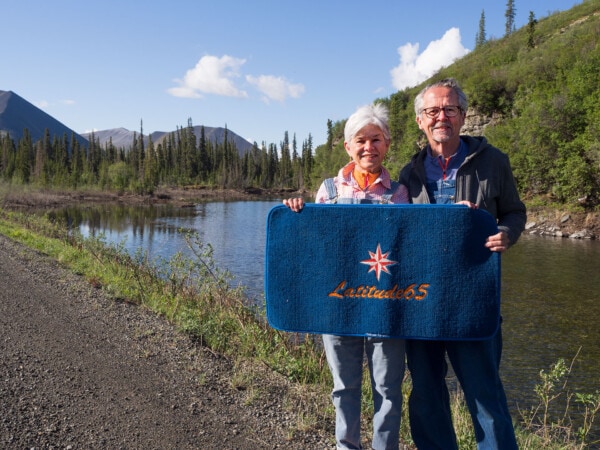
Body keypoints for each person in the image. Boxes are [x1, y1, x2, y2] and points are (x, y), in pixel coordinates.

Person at [399, 78, 526, 449]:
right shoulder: (409, 173)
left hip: (475, 299)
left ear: (463, 116)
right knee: (425, 393)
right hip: (420, 301)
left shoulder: (493, 161)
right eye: (433, 111)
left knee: (484, 394)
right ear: (421, 121)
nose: (442, 117)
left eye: (450, 109)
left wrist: (507, 233)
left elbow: (515, 212)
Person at [283, 103, 409, 450]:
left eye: (377, 140)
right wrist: (297, 212)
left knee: (387, 389)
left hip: (387, 304)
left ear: (387, 144)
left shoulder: (400, 194)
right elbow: (315, 245)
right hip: (339, 302)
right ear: (348, 147)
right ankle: (346, 446)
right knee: (344, 386)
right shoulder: (328, 191)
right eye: (361, 140)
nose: (369, 147)